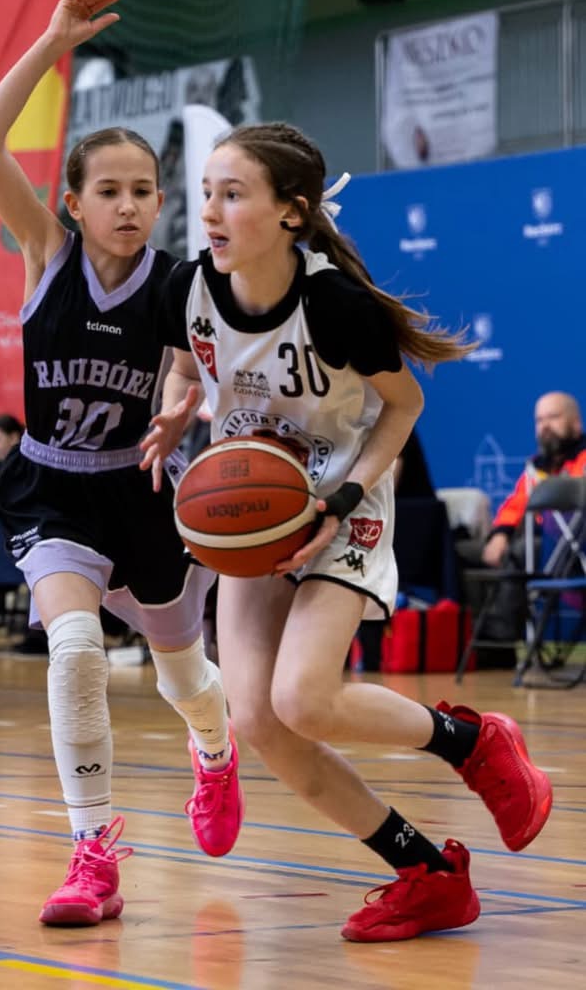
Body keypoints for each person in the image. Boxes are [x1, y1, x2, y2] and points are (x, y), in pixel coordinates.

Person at [141, 120, 553, 943]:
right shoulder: (186, 287)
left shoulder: (332, 304)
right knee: (258, 720)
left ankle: (471, 742)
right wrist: (178, 406)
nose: (210, 212)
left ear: (291, 212)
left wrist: (347, 495)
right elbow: (185, 361)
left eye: (232, 195)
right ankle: (428, 874)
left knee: (304, 698)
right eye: (206, 194)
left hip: (340, 501)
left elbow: (403, 406)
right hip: (253, 514)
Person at [0, 0, 244, 927]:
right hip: (50, 486)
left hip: (139, 489)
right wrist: (52, 42)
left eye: (142, 191)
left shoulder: (176, 283)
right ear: (74, 204)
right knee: (76, 649)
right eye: (108, 192)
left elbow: (189, 370)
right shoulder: (45, 253)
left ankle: (215, 753)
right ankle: (93, 854)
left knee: (183, 675)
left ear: (162, 201)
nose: (128, 206)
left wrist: (177, 408)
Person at [482, 391, 586, 568]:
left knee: (519, 552)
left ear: (576, 423)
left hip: (571, 539)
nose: (545, 426)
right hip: (535, 536)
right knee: (462, 551)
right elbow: (516, 504)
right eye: (539, 420)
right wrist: (501, 533)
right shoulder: (536, 467)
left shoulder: (583, 459)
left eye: (553, 417)